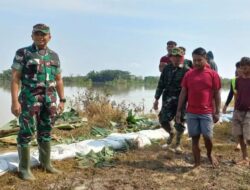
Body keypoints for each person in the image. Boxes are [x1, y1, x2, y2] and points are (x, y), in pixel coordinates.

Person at [11, 24, 65, 180]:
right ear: (32, 36)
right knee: (26, 132)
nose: (40, 37)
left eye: (44, 34)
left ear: (49, 37)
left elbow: (59, 80)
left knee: (46, 131)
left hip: (49, 100)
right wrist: (15, 102)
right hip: (29, 99)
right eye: (37, 34)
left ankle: (46, 164)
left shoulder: (54, 56)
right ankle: (24, 169)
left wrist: (62, 100)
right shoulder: (23, 53)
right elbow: (15, 79)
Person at [176, 47, 221, 167]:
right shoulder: (189, 74)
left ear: (205, 59)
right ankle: (197, 163)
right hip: (191, 112)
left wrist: (217, 112)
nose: (196, 63)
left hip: (207, 112)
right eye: (194, 60)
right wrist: (179, 111)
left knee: (208, 137)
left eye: (199, 60)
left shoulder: (213, 74)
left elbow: (216, 94)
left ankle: (210, 154)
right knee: (194, 138)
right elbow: (183, 93)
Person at [153, 47, 190, 153]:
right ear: (171, 58)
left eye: (179, 57)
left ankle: (177, 144)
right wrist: (156, 99)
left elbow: (190, 88)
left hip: (181, 100)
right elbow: (161, 84)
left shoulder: (187, 70)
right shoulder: (166, 68)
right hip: (168, 98)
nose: (176, 59)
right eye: (174, 57)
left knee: (180, 122)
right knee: (163, 119)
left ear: (182, 58)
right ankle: (171, 133)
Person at [232, 57, 250, 166]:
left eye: (246, 67)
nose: (243, 70)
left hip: (249, 111)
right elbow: (237, 95)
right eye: (241, 67)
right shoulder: (238, 80)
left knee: (248, 137)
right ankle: (245, 158)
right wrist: (234, 109)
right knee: (239, 135)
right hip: (238, 110)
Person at [222, 61, 241, 151]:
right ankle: (238, 144)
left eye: (239, 68)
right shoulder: (234, 81)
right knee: (237, 126)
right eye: (236, 68)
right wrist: (225, 105)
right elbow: (230, 94)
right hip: (237, 108)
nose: (237, 70)